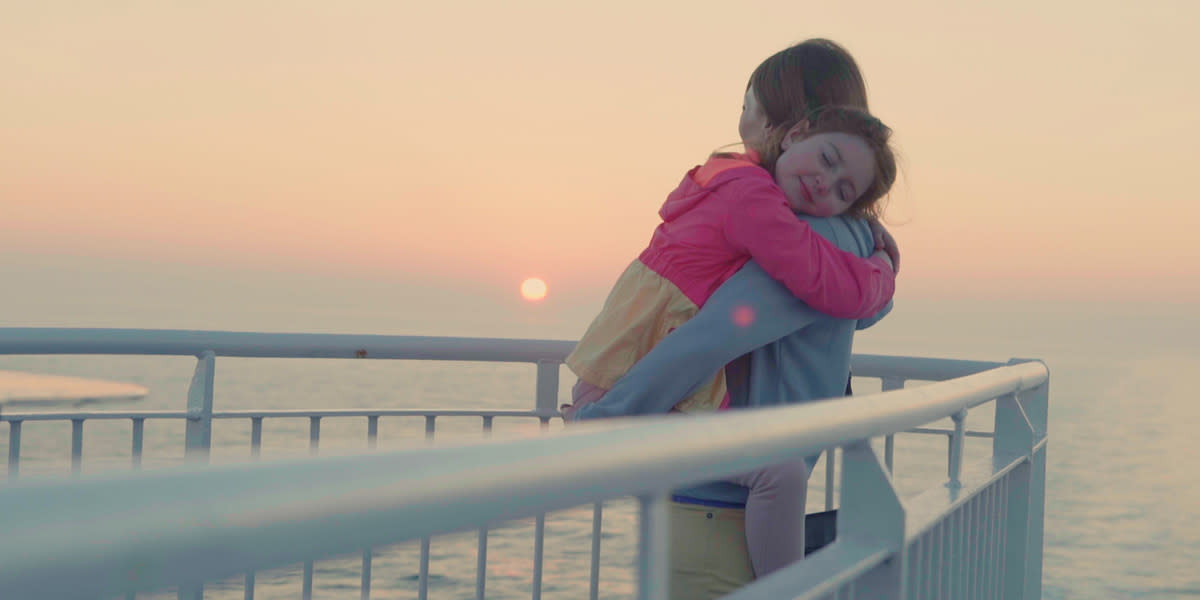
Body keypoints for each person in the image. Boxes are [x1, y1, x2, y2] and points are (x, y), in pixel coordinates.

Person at [568, 39, 897, 598]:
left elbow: (712, 336)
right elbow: (854, 305)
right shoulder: (809, 217)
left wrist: (609, 418)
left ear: (789, 121)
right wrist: (883, 269)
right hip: (713, 479)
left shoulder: (801, 226)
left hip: (712, 506)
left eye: (751, 99)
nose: (742, 114)